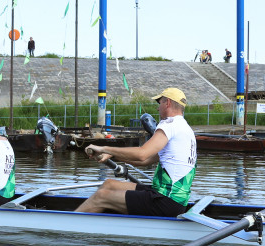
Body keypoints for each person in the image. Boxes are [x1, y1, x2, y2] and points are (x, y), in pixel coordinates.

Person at [76, 87, 196, 216]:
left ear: (167, 103)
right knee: (109, 184)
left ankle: (67, 225)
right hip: (173, 200)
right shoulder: (185, 129)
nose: (157, 108)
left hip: (165, 201)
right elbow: (145, 160)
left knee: (102, 195)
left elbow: (142, 154)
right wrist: (112, 155)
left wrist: (103, 148)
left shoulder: (169, 125)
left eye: (159, 103)